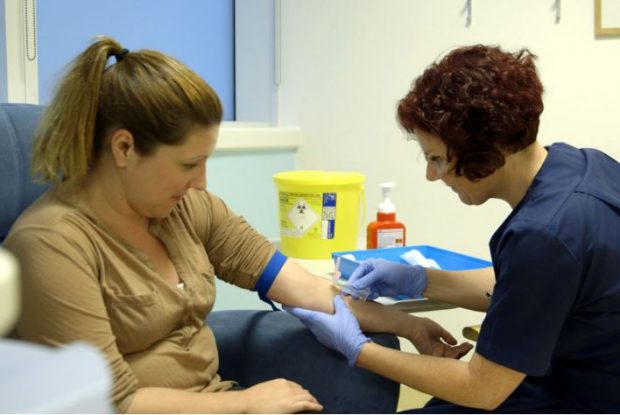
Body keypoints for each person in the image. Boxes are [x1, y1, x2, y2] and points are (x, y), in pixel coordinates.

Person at [3, 36, 473, 413]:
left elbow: (304, 289)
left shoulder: (186, 209)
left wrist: (409, 328)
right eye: (189, 164)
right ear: (124, 149)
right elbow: (111, 401)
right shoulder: (53, 246)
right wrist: (247, 403)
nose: (202, 181)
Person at [285, 44, 620, 413]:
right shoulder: (583, 166)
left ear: (486, 150)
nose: (431, 175)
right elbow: (528, 288)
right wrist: (419, 280)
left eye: (437, 159)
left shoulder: (544, 234)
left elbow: (482, 389)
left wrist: (359, 350)